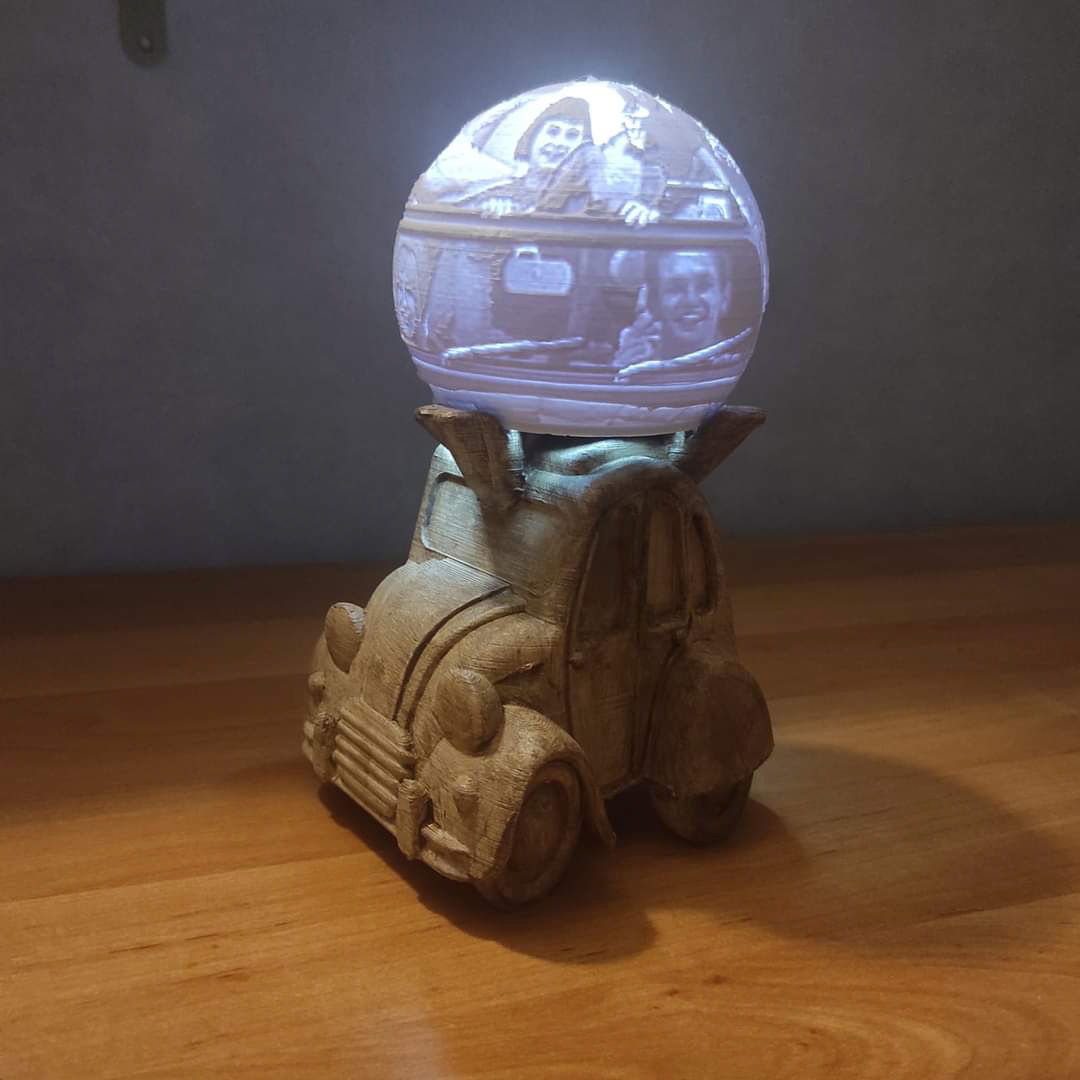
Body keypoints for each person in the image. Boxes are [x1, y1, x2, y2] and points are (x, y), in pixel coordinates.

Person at [613, 249, 744, 380]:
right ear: (653, 302)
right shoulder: (637, 367)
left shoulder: (741, 364)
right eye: (675, 288)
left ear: (725, 296)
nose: (691, 300)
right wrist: (621, 371)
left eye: (704, 285)